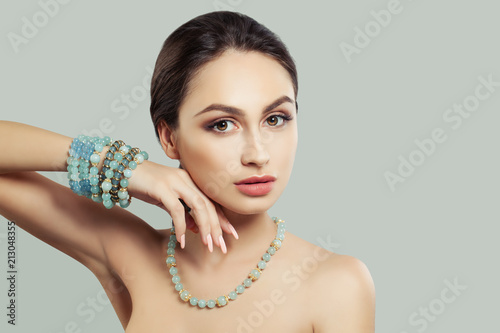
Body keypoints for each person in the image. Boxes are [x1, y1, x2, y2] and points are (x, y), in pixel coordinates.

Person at [0, 10, 375, 332]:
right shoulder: (130, 251)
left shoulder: (335, 283)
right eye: (223, 124)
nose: (258, 154)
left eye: (276, 118)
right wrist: (130, 169)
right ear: (169, 137)